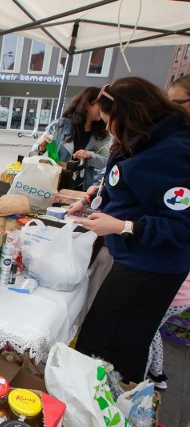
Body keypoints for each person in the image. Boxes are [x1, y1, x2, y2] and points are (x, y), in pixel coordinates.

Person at [68, 77, 190, 384]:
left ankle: (103, 401)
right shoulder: (144, 139)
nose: (108, 129)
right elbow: (126, 187)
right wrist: (93, 200)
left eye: (110, 120)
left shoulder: (172, 152)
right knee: (99, 339)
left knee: (107, 347)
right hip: (132, 259)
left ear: (130, 114)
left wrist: (123, 226)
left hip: (149, 269)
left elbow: (182, 224)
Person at [146, 74, 190, 390]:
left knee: (147, 326)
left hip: (177, 272)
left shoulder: (179, 151)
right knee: (149, 325)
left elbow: (176, 221)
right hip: (170, 266)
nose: (169, 111)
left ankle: (154, 377)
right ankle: (155, 375)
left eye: (176, 103)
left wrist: (125, 225)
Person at [30, 86, 112, 190]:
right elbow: (33, 153)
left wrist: (89, 155)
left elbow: (105, 161)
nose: (103, 109)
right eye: (100, 105)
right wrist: (41, 148)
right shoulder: (60, 126)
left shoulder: (102, 134)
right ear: (86, 104)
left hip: (82, 189)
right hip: (54, 185)